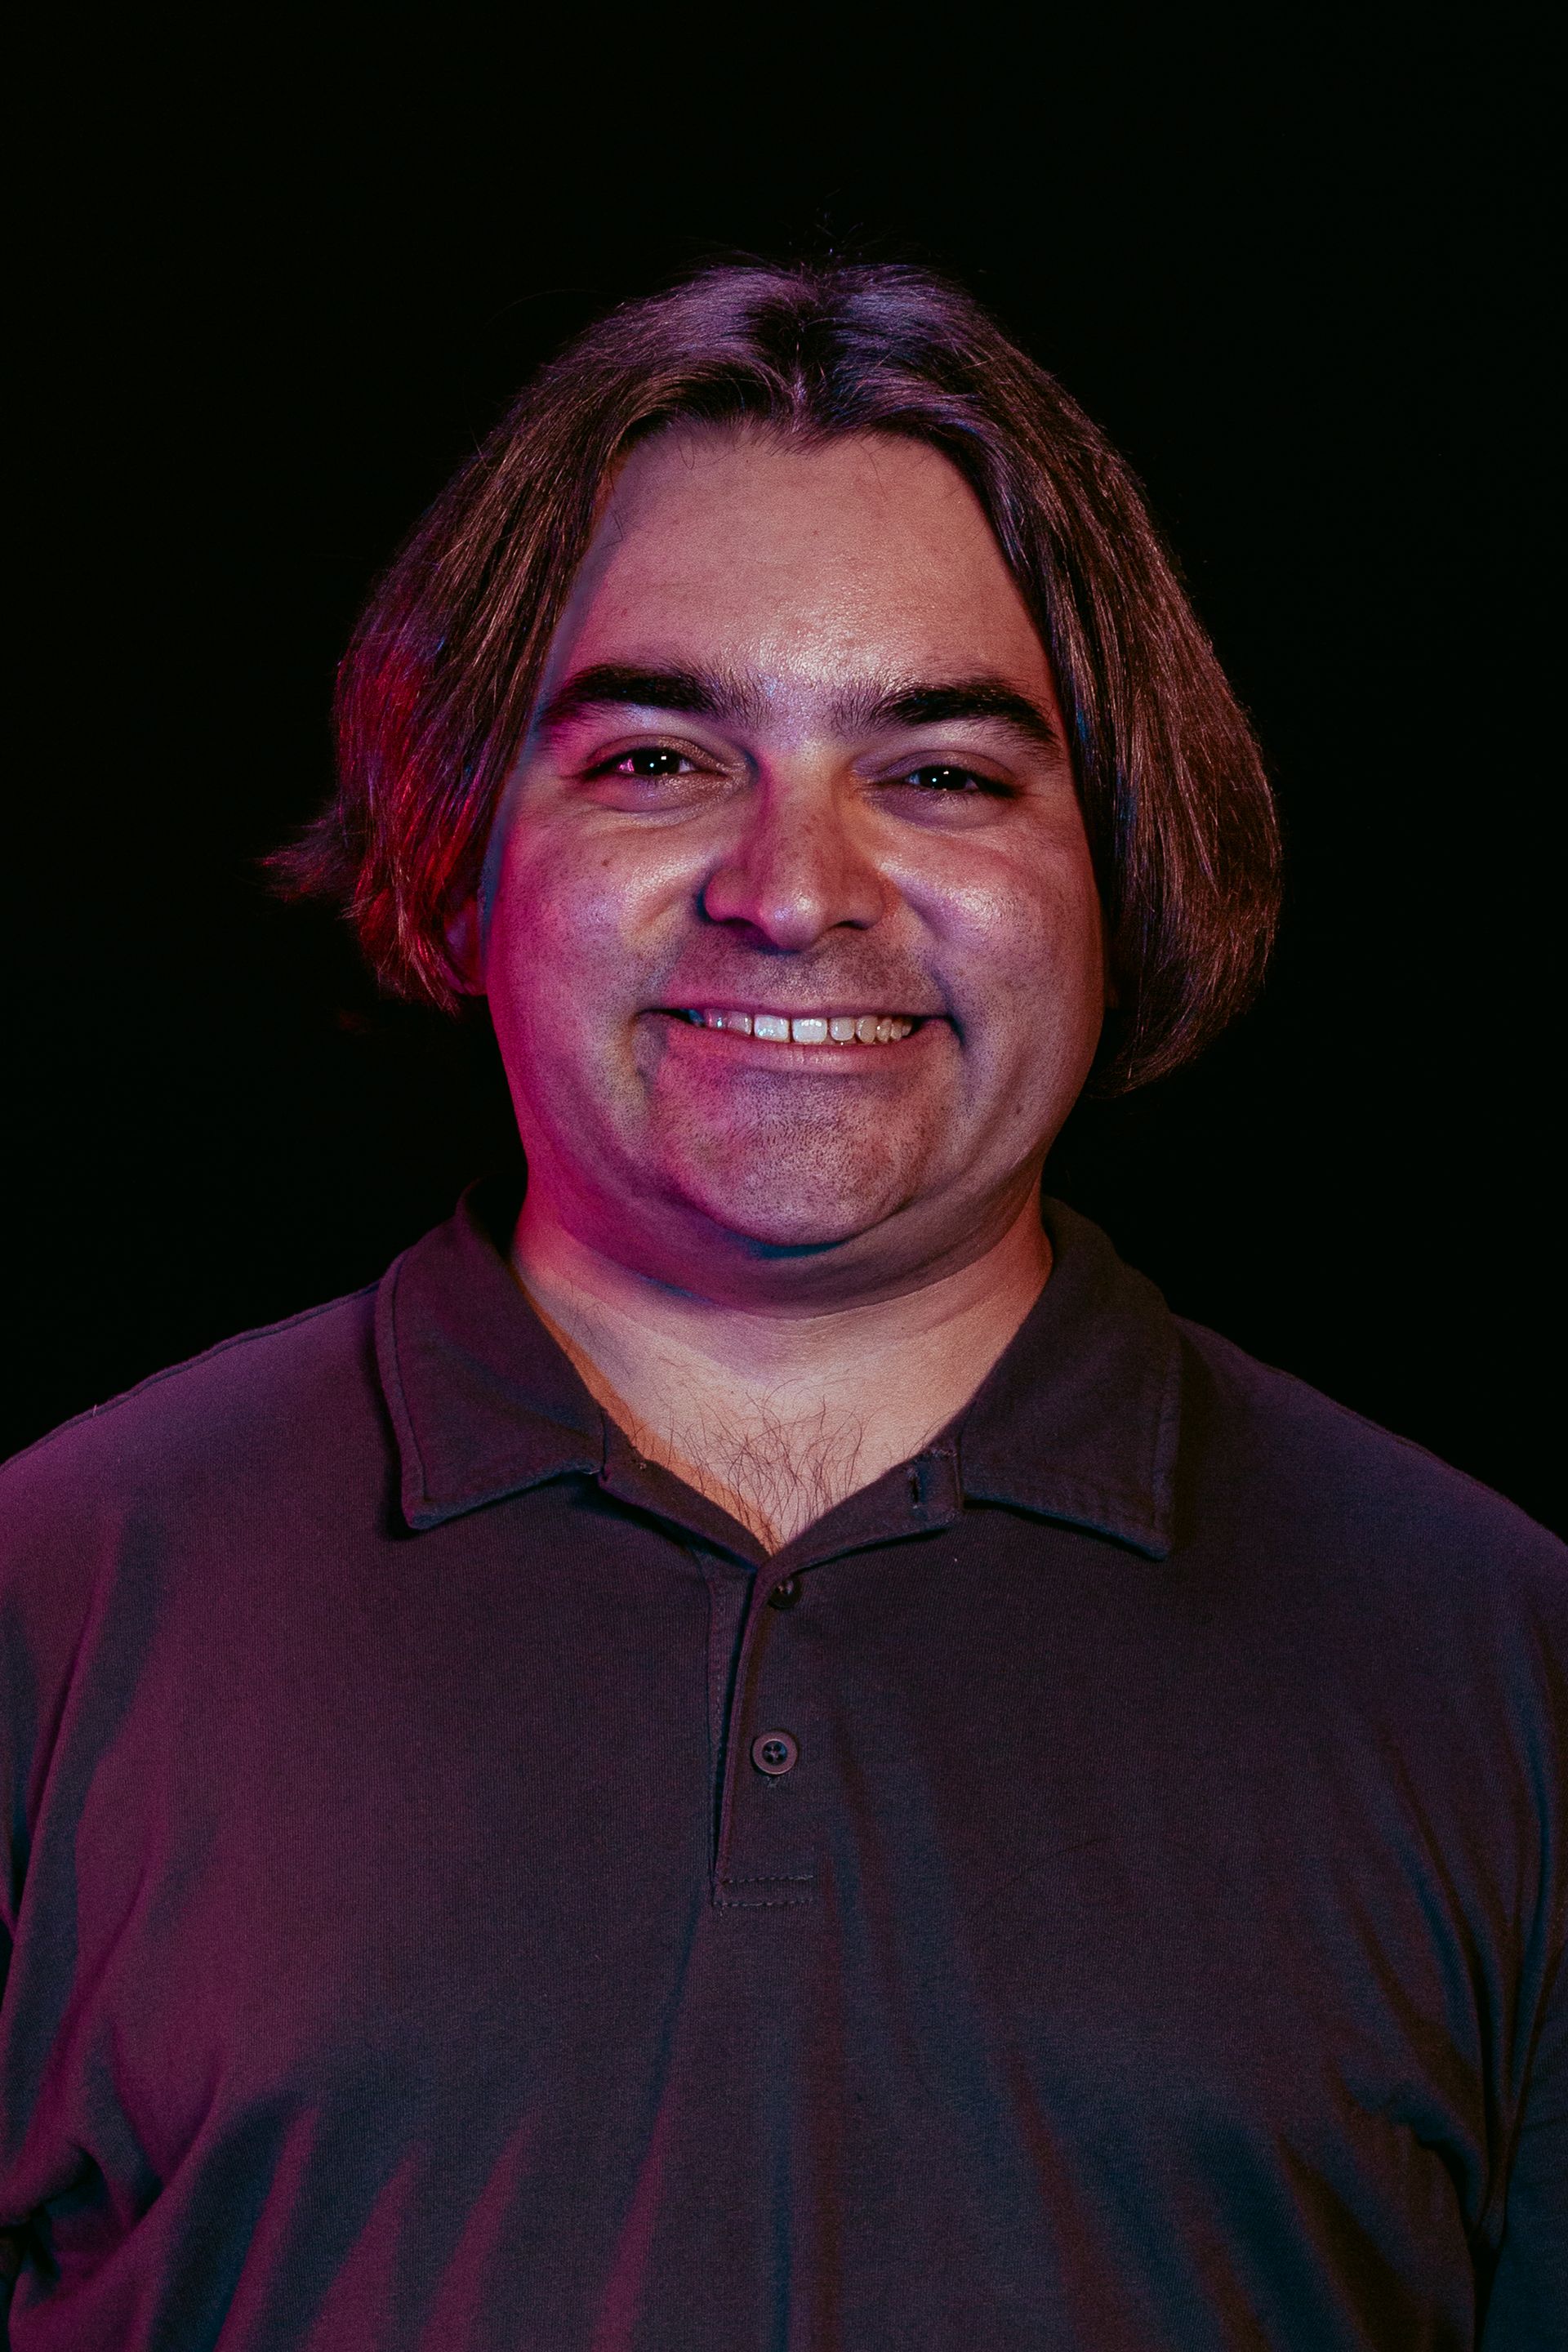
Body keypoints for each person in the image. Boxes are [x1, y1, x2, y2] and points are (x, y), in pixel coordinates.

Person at [1, 262, 1561, 2351]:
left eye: (943, 773)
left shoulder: (1502, 1657)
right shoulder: (54, 1597)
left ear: (1123, 864)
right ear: (465, 850)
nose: (793, 890)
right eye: (659, 759)